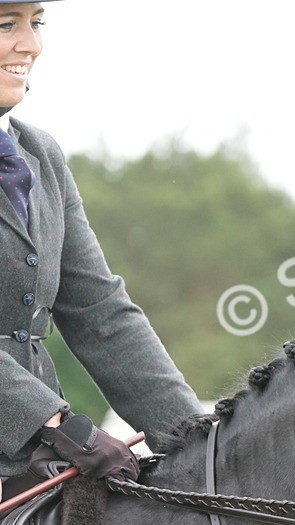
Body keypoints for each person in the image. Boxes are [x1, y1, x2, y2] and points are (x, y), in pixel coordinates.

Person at [0, 1, 201, 499]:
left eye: (36, 23)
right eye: (7, 25)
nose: (31, 44)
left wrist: (192, 431)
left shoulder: (40, 154)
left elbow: (99, 309)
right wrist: (56, 422)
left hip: (30, 453)